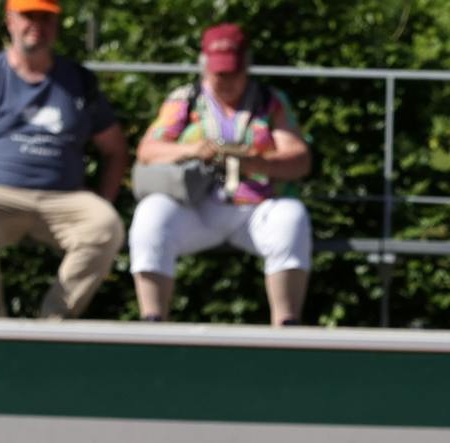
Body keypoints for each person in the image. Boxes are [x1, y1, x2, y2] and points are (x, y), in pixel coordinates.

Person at [0, 0, 129, 322]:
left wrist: (103, 199)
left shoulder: (79, 81)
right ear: (10, 20)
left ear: (56, 25)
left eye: (45, 18)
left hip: (64, 198)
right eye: (28, 16)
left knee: (106, 224)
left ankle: (54, 319)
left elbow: (115, 149)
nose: (36, 26)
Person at [130, 23, 315, 326]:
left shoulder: (270, 101)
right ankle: (152, 320)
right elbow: (148, 151)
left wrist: (256, 162)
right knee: (151, 214)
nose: (226, 81)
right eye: (219, 74)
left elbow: (299, 160)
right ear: (204, 68)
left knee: (291, 216)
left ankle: (286, 325)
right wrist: (191, 151)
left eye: (234, 72)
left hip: (255, 208)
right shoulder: (185, 99)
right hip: (196, 208)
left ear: (247, 66)